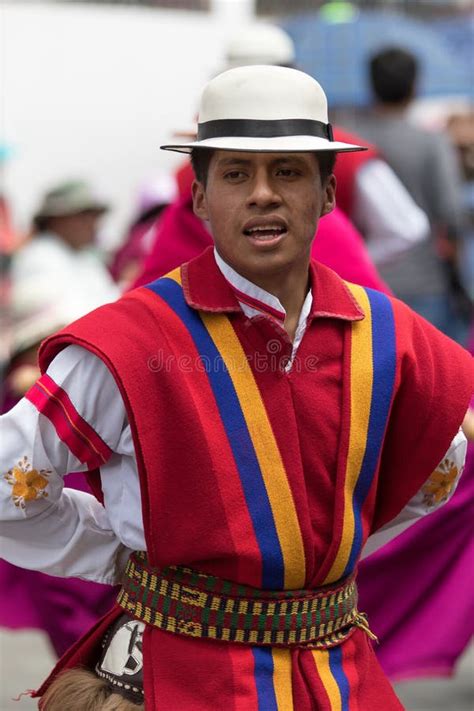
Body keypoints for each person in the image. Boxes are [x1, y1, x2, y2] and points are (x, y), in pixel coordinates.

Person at [0, 66, 472, 711]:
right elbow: (9, 484)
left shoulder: (392, 336)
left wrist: (329, 548)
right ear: (198, 198)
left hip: (338, 677)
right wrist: (122, 551)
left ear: (328, 194)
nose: (262, 195)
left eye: (287, 173)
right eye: (234, 174)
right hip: (172, 679)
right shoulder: (130, 341)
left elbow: (437, 470)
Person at [342, 46, 469, 342]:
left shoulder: (351, 139)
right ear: (415, 86)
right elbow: (449, 211)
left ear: (371, 86)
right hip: (424, 280)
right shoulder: (430, 142)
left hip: (361, 276)